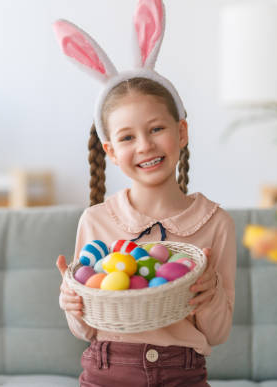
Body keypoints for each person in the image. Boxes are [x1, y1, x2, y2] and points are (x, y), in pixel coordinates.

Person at [52, 1, 236, 386]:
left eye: (156, 129)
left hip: (181, 373)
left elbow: (217, 334)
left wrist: (211, 293)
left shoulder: (215, 223)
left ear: (181, 132)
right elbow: (86, 328)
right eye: (127, 137)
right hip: (106, 371)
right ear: (111, 152)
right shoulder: (97, 220)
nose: (145, 146)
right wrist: (72, 304)